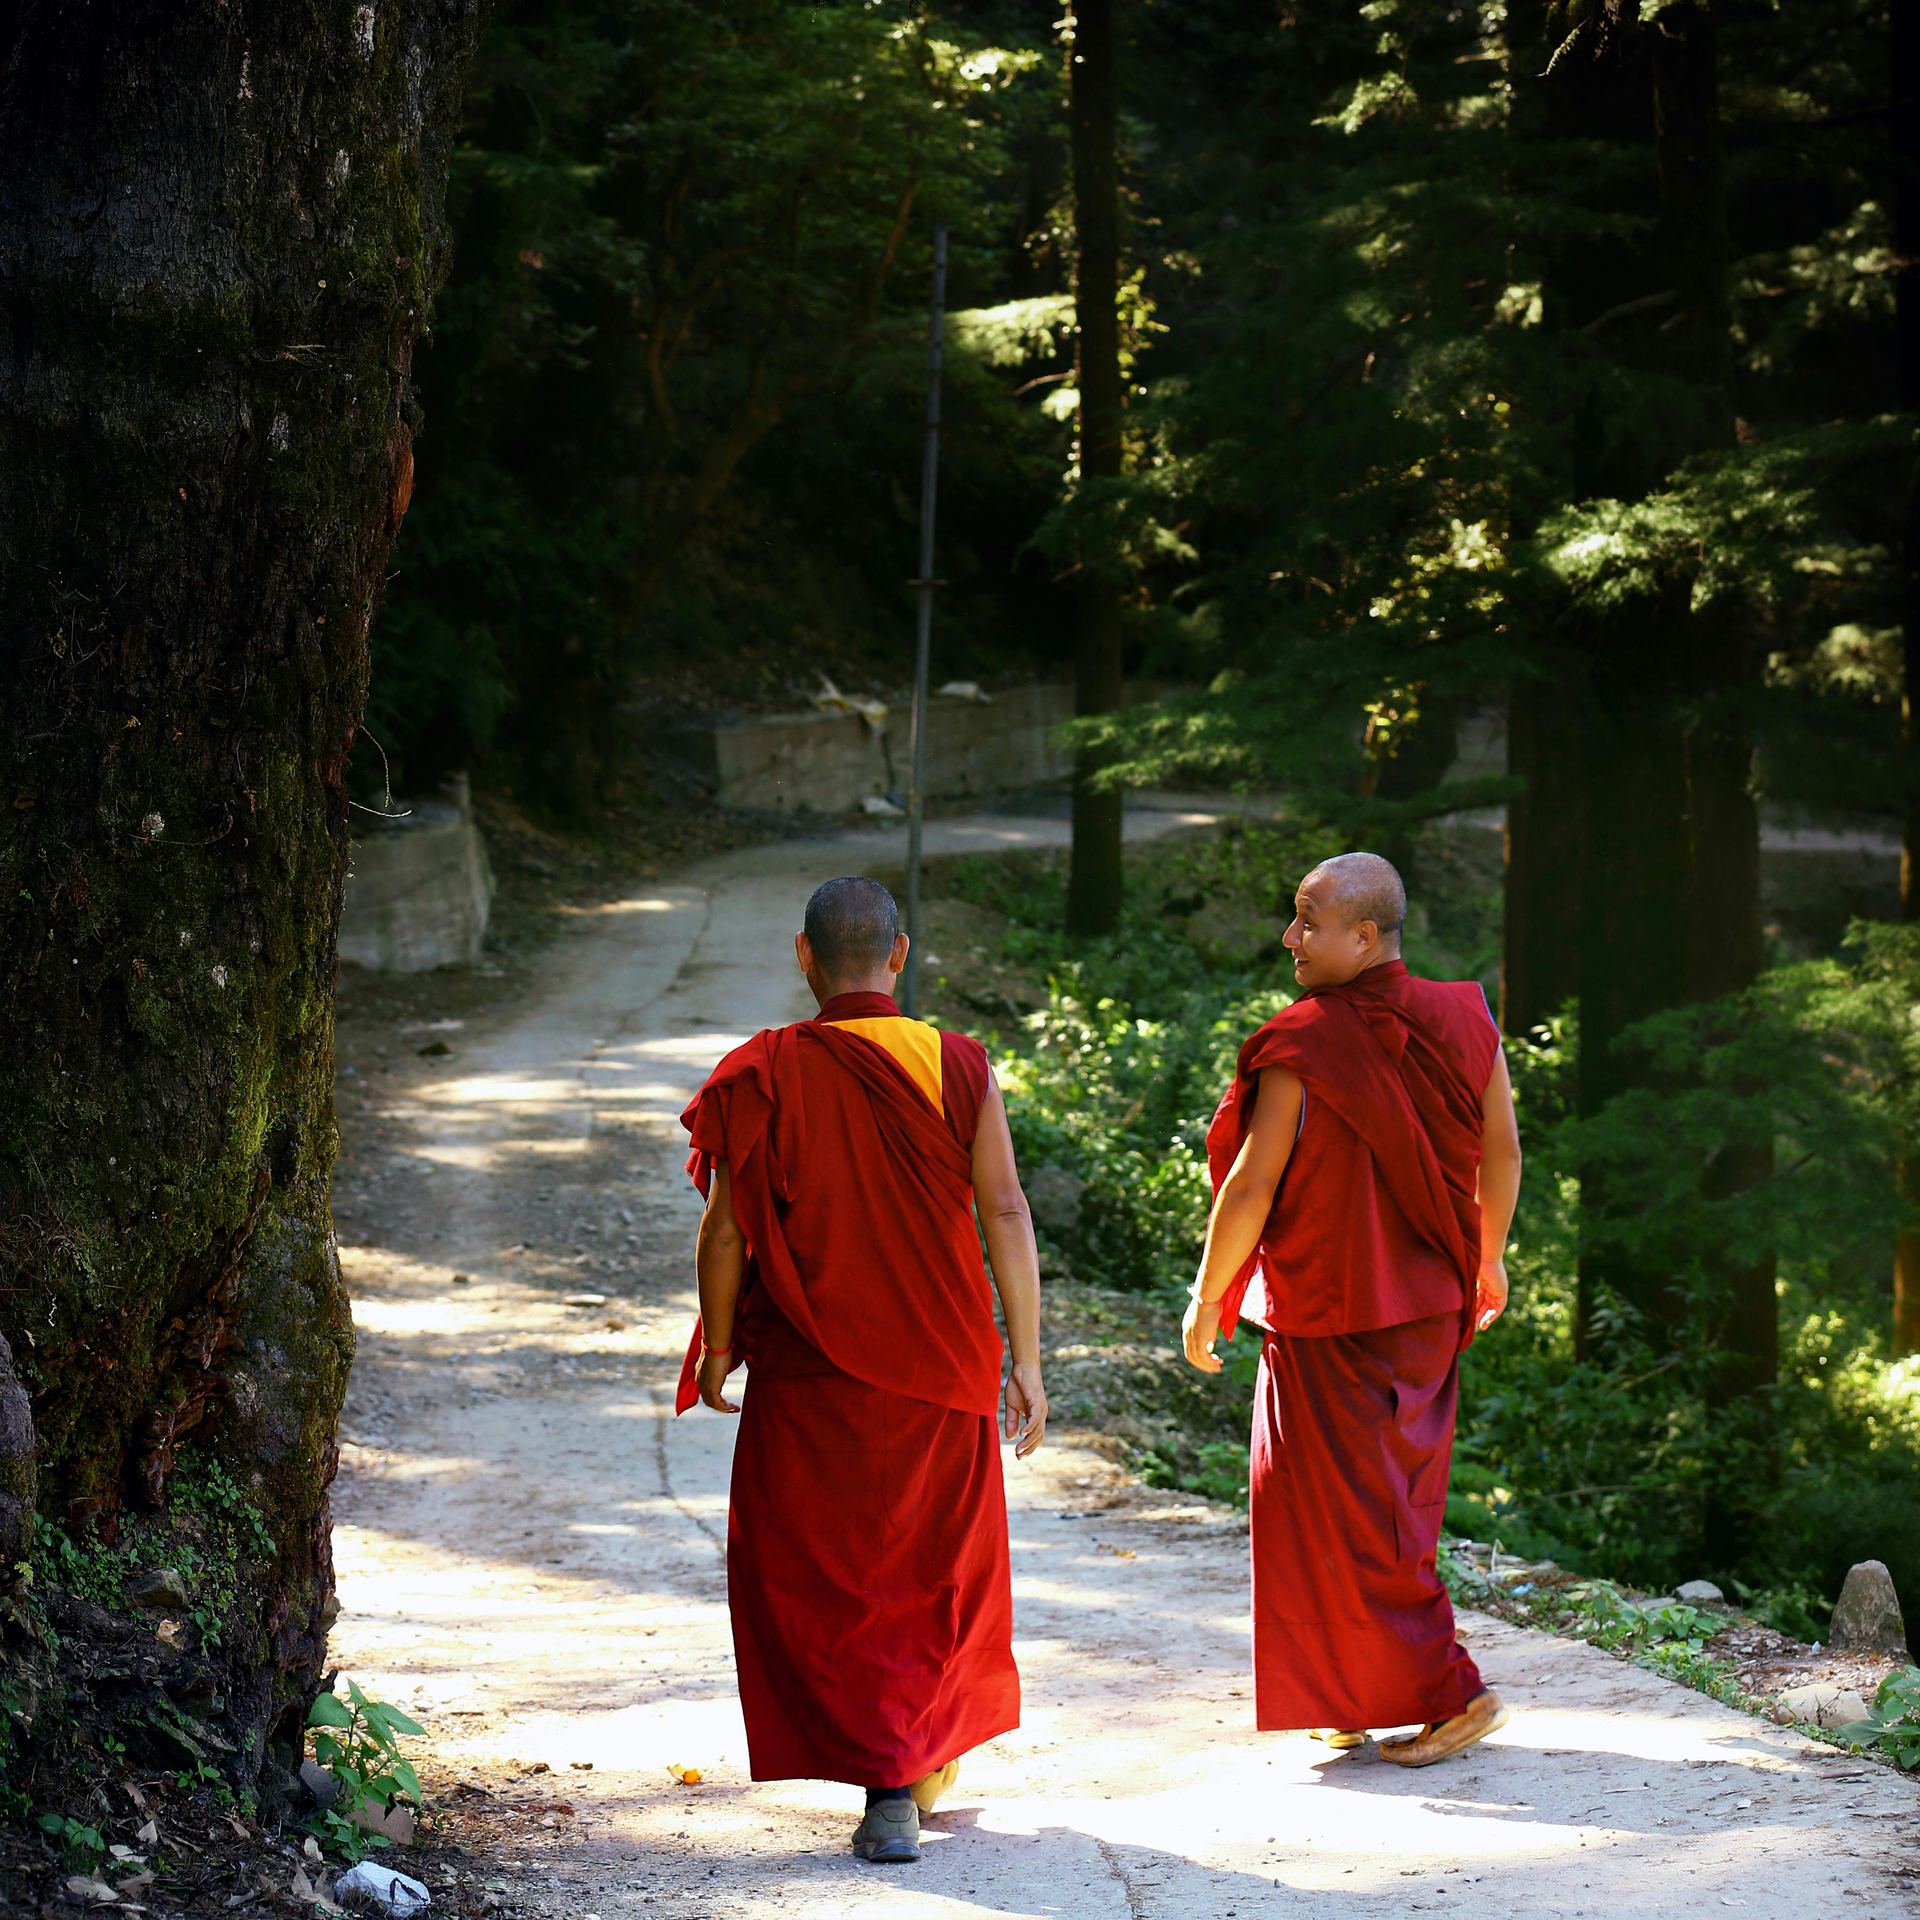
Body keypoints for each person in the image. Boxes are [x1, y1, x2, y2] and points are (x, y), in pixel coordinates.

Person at [676, 875, 1048, 1864]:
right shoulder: (956, 1063)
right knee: (930, 1566)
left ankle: (887, 1772)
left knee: (822, 1569)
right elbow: (1005, 1209)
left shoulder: (766, 1069)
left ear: (804, 959)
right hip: (944, 1358)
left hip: (813, 1368)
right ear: (900, 954)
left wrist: (718, 1348)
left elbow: (726, 1231)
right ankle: (907, 1764)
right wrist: (1029, 1359)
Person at [1180, 851, 1522, 1767]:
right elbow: (1503, 1155)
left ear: (1363, 936)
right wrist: (1485, 1259)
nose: (1291, 937)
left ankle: (1450, 1691)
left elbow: (1251, 1185)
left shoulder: (1306, 1042)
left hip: (1329, 1311)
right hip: (1423, 1309)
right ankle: (1349, 1690)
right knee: (1382, 1507)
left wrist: (1209, 1296)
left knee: (1336, 1512)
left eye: (1308, 920)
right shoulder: (1463, 1017)